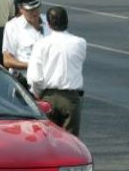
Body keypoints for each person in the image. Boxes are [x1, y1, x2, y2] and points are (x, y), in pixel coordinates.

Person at [27, 7, 87, 136]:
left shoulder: (41, 44)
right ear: (67, 22)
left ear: (48, 24)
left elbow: (35, 78)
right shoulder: (80, 43)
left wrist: (39, 94)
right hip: (71, 99)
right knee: (70, 142)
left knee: (48, 139)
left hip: (48, 97)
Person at [2, 0, 49, 88]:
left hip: (48, 82)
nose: (35, 13)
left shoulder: (49, 23)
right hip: (25, 83)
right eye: (30, 10)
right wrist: (33, 65)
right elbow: (7, 60)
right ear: (20, 9)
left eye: (36, 8)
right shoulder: (13, 27)